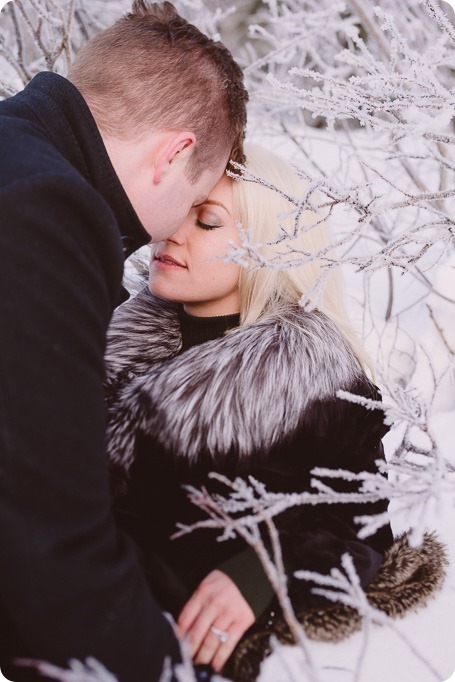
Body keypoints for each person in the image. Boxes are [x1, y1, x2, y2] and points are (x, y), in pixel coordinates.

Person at [0, 2, 248, 680]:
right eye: (193, 204)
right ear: (173, 154)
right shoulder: (48, 210)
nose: (171, 236)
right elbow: (49, 543)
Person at [103, 145, 396, 676]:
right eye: (177, 207)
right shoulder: (101, 326)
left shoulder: (318, 381)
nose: (173, 230)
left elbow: (360, 526)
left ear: (270, 247)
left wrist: (262, 570)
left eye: (208, 220)